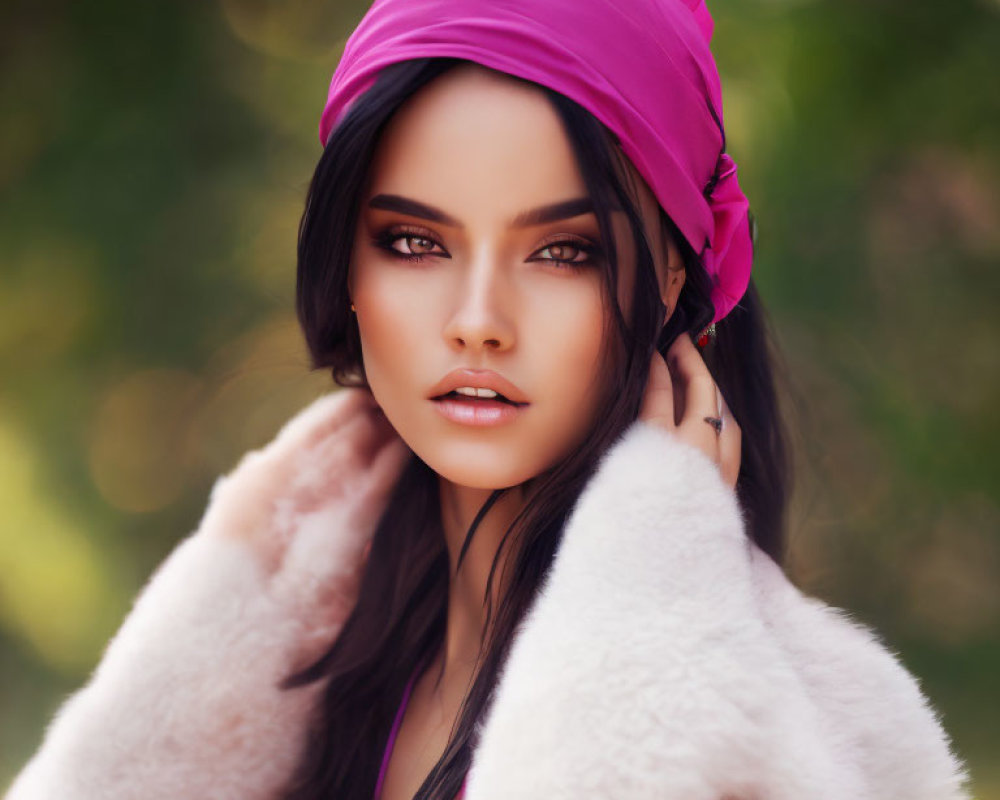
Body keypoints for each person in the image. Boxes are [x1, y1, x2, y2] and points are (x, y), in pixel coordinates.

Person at [5, 1, 972, 799]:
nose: (476, 322)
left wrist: (648, 603)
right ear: (347, 265)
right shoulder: (262, 661)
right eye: (415, 243)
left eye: (563, 252)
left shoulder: (820, 736)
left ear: (675, 273)